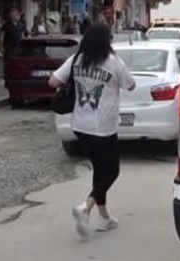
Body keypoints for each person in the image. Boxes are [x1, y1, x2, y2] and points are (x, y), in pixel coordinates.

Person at [48, 22, 136, 238]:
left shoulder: (76, 59)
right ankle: (85, 208)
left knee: (100, 169)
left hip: (80, 125)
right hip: (103, 127)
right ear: (107, 41)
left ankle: (104, 217)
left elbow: (52, 81)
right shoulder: (113, 62)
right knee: (111, 171)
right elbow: (131, 85)